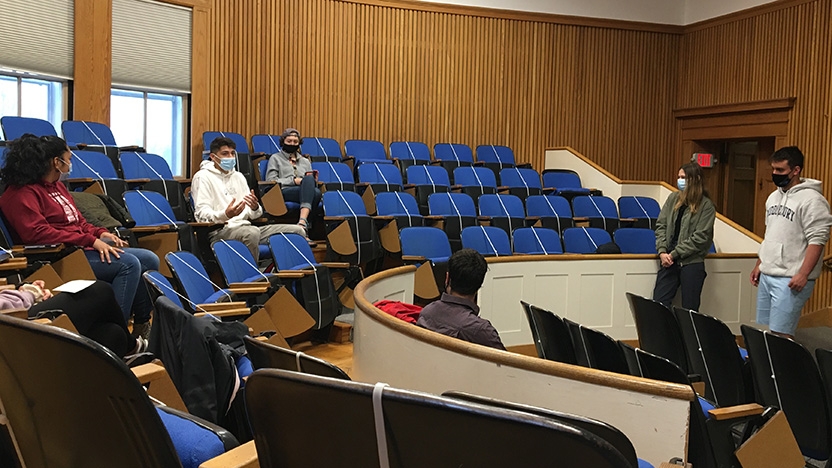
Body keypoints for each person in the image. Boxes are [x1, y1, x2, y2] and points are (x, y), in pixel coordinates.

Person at [0, 134, 159, 339]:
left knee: (148, 258)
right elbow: (37, 234)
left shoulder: (57, 185)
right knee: (128, 264)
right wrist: (90, 240)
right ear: (56, 162)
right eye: (68, 158)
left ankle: (141, 326)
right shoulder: (20, 193)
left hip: (79, 246)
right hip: (57, 255)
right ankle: (120, 332)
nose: (71, 161)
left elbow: (77, 221)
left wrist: (100, 232)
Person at [751, 146, 832, 338]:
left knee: (782, 334)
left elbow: (818, 240)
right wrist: (760, 264)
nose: (775, 174)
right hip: (768, 273)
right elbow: (770, 233)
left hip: (790, 278)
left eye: (780, 170)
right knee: (766, 330)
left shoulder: (813, 200)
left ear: (796, 170)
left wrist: (803, 274)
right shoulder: (773, 197)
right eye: (773, 169)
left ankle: (785, 368)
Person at [192, 136, 306, 262]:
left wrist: (255, 207)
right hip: (220, 231)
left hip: (248, 227)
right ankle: (252, 278)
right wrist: (225, 214)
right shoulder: (202, 177)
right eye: (225, 154)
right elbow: (201, 215)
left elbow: (254, 214)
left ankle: (291, 277)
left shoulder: (238, 176)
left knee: (297, 231)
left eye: (232, 153)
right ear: (213, 157)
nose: (230, 157)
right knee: (251, 233)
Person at [652, 162, 716, 311]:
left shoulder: (706, 206)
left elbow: (700, 238)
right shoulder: (673, 198)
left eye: (684, 178)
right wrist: (662, 251)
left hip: (691, 263)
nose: (680, 180)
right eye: (679, 177)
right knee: (659, 304)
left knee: (690, 310)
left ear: (695, 179)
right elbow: (661, 225)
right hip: (668, 260)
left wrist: (674, 254)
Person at [416, 249, 505, 350]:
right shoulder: (482, 330)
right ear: (479, 284)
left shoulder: (427, 312)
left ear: (447, 278)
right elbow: (507, 364)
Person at [265, 128, 322, 237]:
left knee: (316, 191)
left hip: (303, 191)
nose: (292, 144)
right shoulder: (275, 158)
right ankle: (305, 227)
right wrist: (293, 181)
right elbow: (271, 181)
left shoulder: (305, 161)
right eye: (289, 141)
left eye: (295, 142)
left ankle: (302, 224)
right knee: (315, 193)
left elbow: (309, 181)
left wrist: (313, 180)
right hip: (282, 191)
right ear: (283, 142)